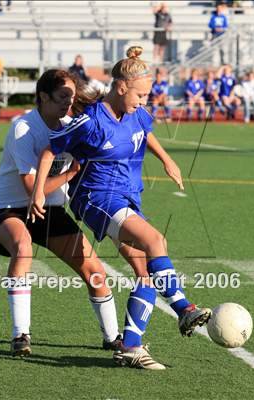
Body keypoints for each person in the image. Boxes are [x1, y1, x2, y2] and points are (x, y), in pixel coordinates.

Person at [31, 46, 212, 370]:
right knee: (156, 241)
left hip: (127, 198)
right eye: (141, 94)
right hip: (96, 199)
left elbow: (146, 133)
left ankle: (130, 345)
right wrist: (38, 195)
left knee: (146, 273)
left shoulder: (136, 113)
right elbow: (48, 151)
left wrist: (168, 160)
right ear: (121, 87)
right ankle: (184, 309)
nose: (145, 101)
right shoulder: (91, 121)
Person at [0, 69, 123, 357]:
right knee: (22, 249)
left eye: (72, 97)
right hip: (10, 209)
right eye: (62, 96)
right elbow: (31, 189)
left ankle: (113, 338)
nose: (68, 102)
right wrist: (72, 172)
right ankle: (20, 335)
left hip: (50, 209)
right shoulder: (24, 128)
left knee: (94, 269)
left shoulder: (73, 125)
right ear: (43, 96)